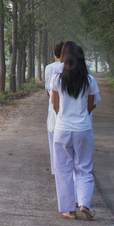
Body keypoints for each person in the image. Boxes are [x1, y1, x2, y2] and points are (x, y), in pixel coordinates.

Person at [51, 40, 100, 220]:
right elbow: (91, 105)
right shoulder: (90, 81)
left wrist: (65, 117)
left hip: (62, 129)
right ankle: (84, 203)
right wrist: (80, 118)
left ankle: (68, 209)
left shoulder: (57, 79)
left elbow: (55, 105)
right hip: (83, 129)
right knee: (84, 167)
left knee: (63, 168)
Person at [43, 41, 64, 175]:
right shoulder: (71, 67)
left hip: (53, 107)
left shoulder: (49, 68)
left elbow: (47, 90)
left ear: (54, 54)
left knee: (53, 141)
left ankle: (56, 170)